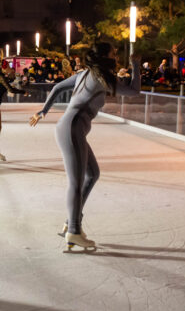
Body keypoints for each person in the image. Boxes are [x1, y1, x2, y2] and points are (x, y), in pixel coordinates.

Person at [29, 43, 140, 251]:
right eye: (114, 53)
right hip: (72, 129)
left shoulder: (85, 74)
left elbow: (57, 87)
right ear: (105, 56)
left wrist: (43, 111)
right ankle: (73, 231)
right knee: (76, 182)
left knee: (92, 174)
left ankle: (72, 220)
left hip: (70, 128)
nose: (116, 56)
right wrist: (135, 64)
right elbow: (134, 91)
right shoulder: (102, 78)